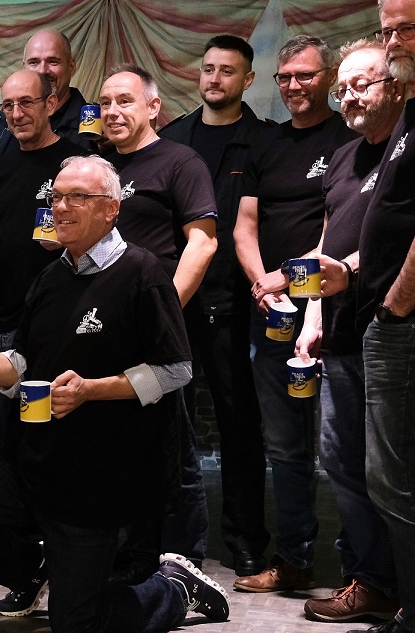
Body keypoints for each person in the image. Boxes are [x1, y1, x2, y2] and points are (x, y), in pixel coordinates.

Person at [0, 155, 229, 632]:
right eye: (56, 197)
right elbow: (20, 368)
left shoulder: (143, 273)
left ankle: (174, 588)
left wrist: (91, 391)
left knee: (76, 624)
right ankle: (37, 573)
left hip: (96, 477)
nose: (61, 207)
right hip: (31, 460)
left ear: (111, 209)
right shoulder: (49, 279)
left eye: (77, 197)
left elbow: (175, 369)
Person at [232, 34, 359, 592]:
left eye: (305, 75)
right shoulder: (267, 143)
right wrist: (263, 284)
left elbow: (338, 227)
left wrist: (289, 277)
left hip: (335, 312)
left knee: (344, 448)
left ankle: (363, 571)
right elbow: (244, 227)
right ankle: (294, 560)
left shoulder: (348, 141)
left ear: (328, 77)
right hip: (274, 314)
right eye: (284, 77)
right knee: (284, 445)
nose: (293, 86)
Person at [290, 39, 403, 623]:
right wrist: (311, 314)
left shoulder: (407, 149)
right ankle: (373, 580)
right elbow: (329, 238)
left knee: (390, 472)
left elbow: (397, 240)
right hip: (338, 335)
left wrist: (349, 272)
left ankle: (394, 584)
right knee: (341, 461)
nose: (351, 96)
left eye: (364, 84)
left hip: (391, 331)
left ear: (397, 86)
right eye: (345, 88)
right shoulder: (342, 156)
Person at [158, 35, 274, 577]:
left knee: (240, 427)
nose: (215, 78)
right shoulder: (172, 139)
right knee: (164, 422)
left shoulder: (263, 141)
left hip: (233, 303)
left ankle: (245, 541)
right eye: (208, 69)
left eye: (228, 71)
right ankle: (166, 538)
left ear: (247, 79)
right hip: (173, 300)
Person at [100, 64, 217, 583]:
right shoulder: (98, 167)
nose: (112, 111)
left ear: (152, 107)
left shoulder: (179, 161)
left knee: (171, 448)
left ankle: (184, 567)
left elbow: (203, 243)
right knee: (117, 447)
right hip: (103, 329)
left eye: (124, 101)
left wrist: (161, 314)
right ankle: (127, 557)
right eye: (106, 102)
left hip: (156, 334)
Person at [0, 69, 86, 491]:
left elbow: (102, 239)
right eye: (8, 106)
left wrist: (68, 241)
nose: (16, 114)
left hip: (49, 321)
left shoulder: (76, 165)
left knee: (41, 431)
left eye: (26, 103)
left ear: (50, 104)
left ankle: (40, 522)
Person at [352, 1, 415, 630]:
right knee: (388, 478)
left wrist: (395, 306)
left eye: (405, 27)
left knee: (392, 481)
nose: (395, 41)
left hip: (402, 326)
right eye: (386, 29)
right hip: (388, 322)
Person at [0, 28, 94, 174]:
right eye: (34, 62)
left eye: (53, 61)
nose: (42, 70)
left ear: (71, 67)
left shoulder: (94, 127)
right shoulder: (2, 129)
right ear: (24, 67)